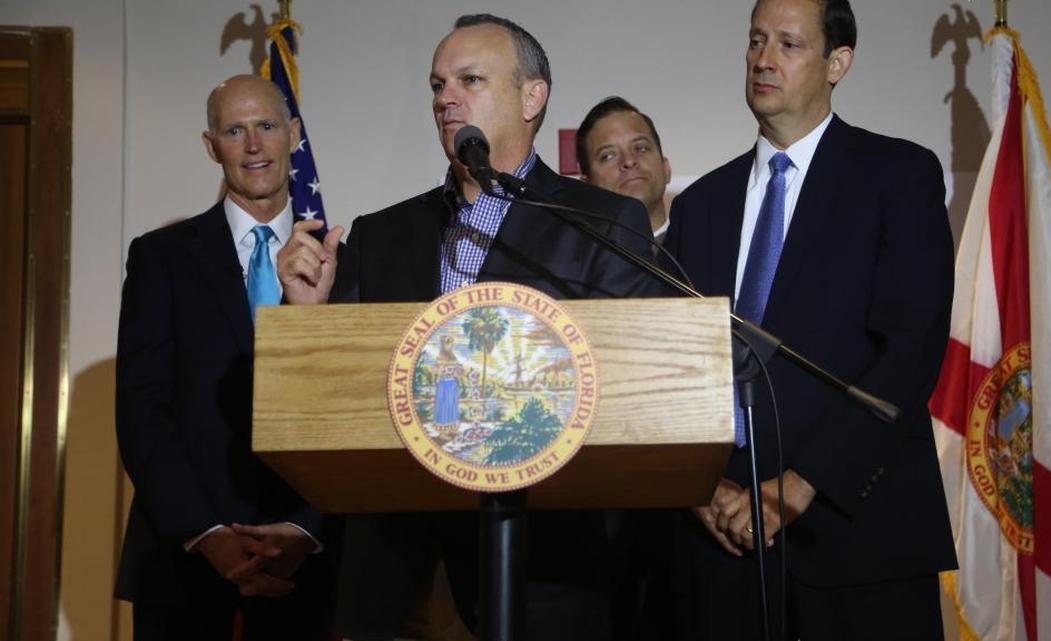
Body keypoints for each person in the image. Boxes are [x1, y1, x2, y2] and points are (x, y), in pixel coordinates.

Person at [277, 13, 665, 641]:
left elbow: (627, 393)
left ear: (531, 97)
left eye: (470, 80)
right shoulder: (380, 236)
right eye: (437, 84)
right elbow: (333, 399)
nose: (445, 98)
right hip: (402, 571)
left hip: (544, 567)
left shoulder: (603, 222)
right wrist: (310, 319)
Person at [664, 1, 957, 639]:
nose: (763, 59)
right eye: (756, 41)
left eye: (790, 45)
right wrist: (700, 487)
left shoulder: (899, 175)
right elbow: (671, 365)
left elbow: (911, 349)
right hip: (724, 545)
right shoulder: (700, 205)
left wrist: (800, 485)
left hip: (857, 538)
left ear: (838, 62)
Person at [114, 74, 333, 640]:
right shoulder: (160, 257)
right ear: (212, 146)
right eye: (235, 130)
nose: (254, 145)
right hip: (185, 564)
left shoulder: (347, 264)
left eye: (265, 126)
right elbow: (143, 412)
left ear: (293, 134)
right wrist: (208, 534)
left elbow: (351, 418)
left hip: (310, 566)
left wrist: (303, 532)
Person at [576, 97, 673, 244]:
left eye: (641, 148)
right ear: (587, 187)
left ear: (666, 168)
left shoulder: (708, 248)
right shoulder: (565, 265)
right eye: (608, 156)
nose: (629, 161)